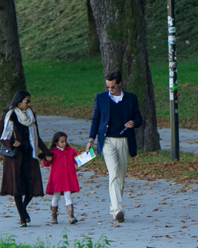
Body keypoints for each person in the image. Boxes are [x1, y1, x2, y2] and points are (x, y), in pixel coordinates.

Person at [86, 70, 143, 223]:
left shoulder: (130, 98)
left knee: (121, 176)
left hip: (124, 139)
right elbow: (95, 119)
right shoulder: (101, 98)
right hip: (107, 141)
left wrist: (134, 122)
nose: (110, 89)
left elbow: (138, 117)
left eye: (113, 87)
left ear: (119, 84)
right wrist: (91, 139)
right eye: (108, 87)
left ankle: (114, 207)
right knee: (113, 173)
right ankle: (118, 209)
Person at [0, 90, 49, 226]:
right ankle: (22, 217)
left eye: (29, 101)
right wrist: (11, 143)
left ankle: (23, 209)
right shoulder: (10, 115)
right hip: (15, 157)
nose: (28, 104)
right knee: (18, 188)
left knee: (31, 186)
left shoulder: (31, 115)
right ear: (18, 102)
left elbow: (36, 135)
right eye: (26, 101)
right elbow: (0, 135)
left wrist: (46, 151)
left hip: (29, 154)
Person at [42, 131, 80, 225]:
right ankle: (53, 215)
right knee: (56, 196)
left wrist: (86, 154)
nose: (64, 143)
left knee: (68, 195)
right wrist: (47, 159)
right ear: (56, 142)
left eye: (65, 141)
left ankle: (71, 216)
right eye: (62, 141)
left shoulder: (70, 151)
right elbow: (46, 163)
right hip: (57, 178)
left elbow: (77, 160)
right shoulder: (52, 152)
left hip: (67, 177)